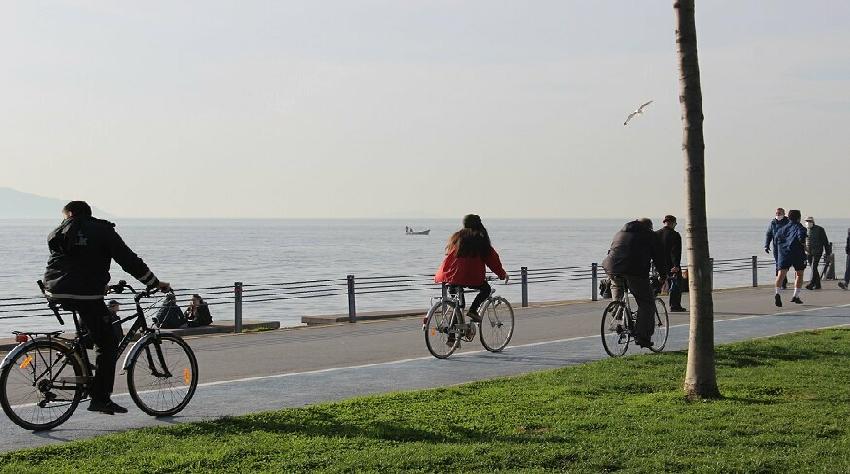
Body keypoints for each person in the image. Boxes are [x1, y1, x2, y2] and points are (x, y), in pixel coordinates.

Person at [44, 201, 171, 415]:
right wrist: (154, 283)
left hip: (55, 291)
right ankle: (100, 399)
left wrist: (100, 285)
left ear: (70, 213)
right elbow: (129, 260)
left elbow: (71, 265)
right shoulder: (103, 230)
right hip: (85, 294)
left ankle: (80, 362)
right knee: (108, 342)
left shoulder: (58, 231)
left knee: (93, 328)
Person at [435, 214, 508, 344]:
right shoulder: (480, 239)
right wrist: (502, 274)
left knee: (458, 305)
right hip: (470, 276)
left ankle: (451, 338)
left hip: (450, 276)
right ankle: (473, 310)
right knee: (486, 289)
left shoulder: (457, 237)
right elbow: (492, 260)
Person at [602, 218, 663, 348]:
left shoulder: (620, 232)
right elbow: (659, 258)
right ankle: (643, 337)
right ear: (649, 227)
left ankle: (618, 308)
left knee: (617, 285)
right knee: (646, 303)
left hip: (612, 268)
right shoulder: (650, 235)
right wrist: (663, 276)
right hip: (634, 271)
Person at [773, 209, 807, 307]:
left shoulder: (781, 229)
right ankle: (795, 295)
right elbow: (801, 237)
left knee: (781, 274)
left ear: (788, 217)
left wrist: (778, 255)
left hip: (783, 254)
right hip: (797, 253)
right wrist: (805, 247)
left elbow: (776, 241)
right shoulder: (800, 227)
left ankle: (777, 293)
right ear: (799, 218)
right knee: (799, 274)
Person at [656, 215, 686, 312]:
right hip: (671, 265)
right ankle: (674, 305)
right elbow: (675, 251)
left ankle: (650, 302)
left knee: (657, 283)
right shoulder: (675, 235)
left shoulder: (656, 234)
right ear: (673, 223)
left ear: (664, 222)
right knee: (676, 284)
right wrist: (676, 265)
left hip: (658, 264)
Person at [765, 208, 789, 289]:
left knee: (783, 264)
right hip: (776, 246)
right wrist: (766, 245)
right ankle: (781, 282)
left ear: (783, 214)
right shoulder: (773, 223)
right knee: (778, 264)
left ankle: (782, 282)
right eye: (776, 213)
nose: (778, 215)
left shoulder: (788, 222)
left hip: (785, 246)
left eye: (779, 213)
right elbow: (769, 234)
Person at [803, 216, 829, 290]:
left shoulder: (820, 229)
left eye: (809, 221)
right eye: (806, 221)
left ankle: (812, 283)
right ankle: (818, 285)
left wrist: (827, 253)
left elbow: (825, 241)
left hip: (817, 251)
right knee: (813, 268)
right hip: (808, 252)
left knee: (814, 266)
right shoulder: (804, 230)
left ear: (813, 222)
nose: (808, 222)